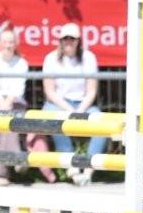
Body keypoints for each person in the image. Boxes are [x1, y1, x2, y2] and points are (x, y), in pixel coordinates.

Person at [0, 27, 55, 185]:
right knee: (6, 119)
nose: (8, 45)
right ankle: (16, 157)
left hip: (14, 104)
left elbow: (17, 89)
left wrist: (7, 103)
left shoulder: (22, 63)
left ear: (16, 44)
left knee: (6, 119)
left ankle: (1, 174)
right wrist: (2, 103)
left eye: (11, 42)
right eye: (5, 42)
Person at [42, 22, 105, 183]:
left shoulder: (89, 58)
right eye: (65, 38)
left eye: (72, 38)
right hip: (58, 104)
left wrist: (79, 110)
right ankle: (71, 166)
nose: (68, 42)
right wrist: (68, 109)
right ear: (60, 41)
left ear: (78, 41)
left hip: (84, 104)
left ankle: (88, 170)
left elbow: (91, 90)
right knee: (53, 117)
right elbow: (50, 92)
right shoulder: (50, 58)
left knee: (103, 123)